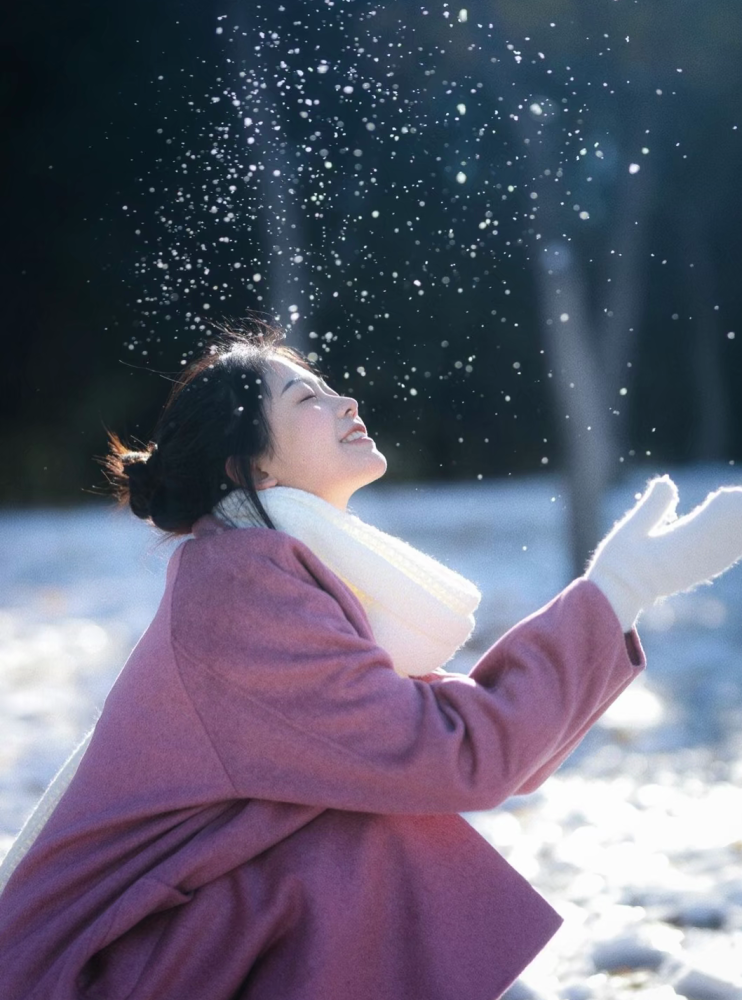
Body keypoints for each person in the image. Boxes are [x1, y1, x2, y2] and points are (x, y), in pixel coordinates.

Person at [2, 321, 742, 1000]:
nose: (346, 399)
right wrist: (623, 590)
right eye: (307, 396)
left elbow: (423, 739)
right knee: (360, 846)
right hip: (84, 973)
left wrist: (614, 601)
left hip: (122, 952)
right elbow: (445, 753)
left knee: (353, 833)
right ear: (251, 467)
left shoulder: (249, 568)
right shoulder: (239, 589)